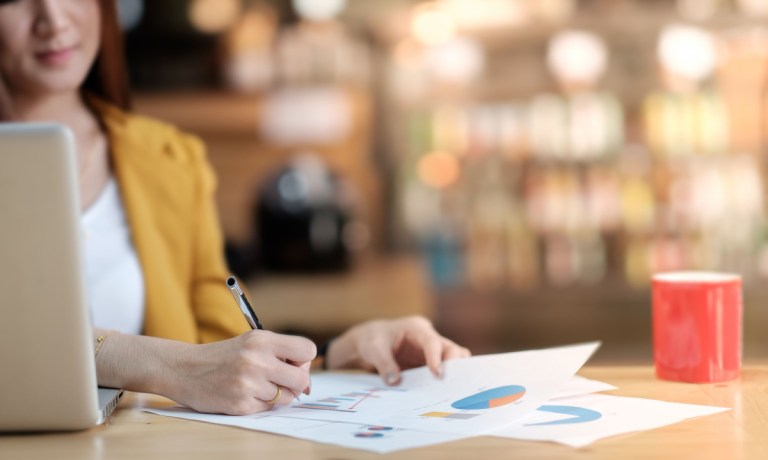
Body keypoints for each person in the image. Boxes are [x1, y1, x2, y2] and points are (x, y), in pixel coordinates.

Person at [0, 0, 470, 416]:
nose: (53, 19)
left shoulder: (169, 159)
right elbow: (189, 368)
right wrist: (156, 364)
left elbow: (218, 355)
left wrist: (332, 355)